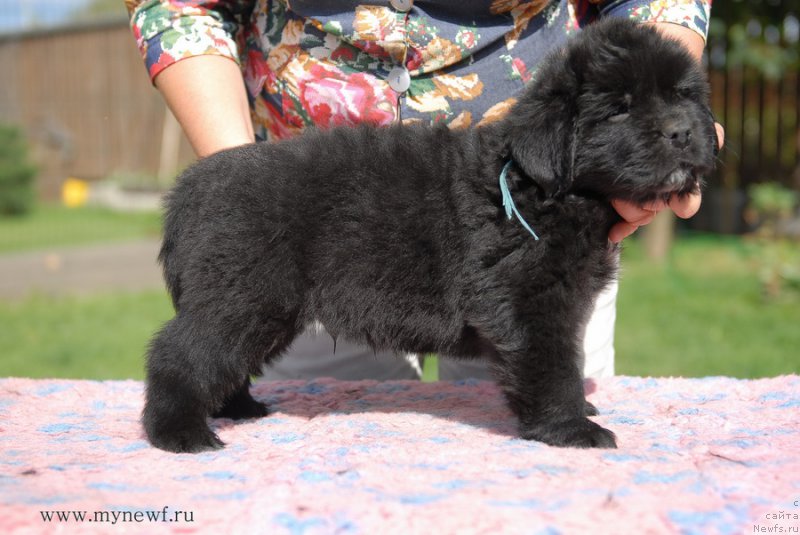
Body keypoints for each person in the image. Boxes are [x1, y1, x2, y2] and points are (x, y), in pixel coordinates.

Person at [125, 0, 722, 381]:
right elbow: (180, 5)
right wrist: (242, 195)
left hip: (541, 199)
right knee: (308, 451)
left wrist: (651, 105)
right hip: (308, 209)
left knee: (549, 463)